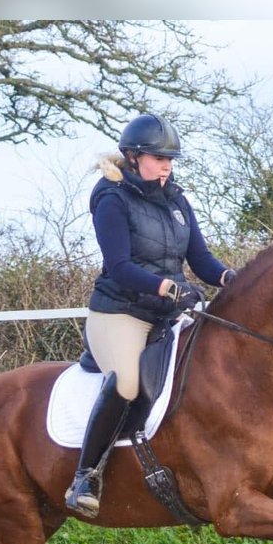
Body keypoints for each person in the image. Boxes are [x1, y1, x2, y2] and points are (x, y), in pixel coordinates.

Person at [64, 113, 236, 518]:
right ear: (134, 156)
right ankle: (86, 476)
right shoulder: (111, 198)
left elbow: (201, 260)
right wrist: (166, 286)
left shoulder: (176, 200)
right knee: (125, 383)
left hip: (167, 314)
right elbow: (120, 265)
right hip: (120, 314)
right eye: (160, 158)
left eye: (171, 160)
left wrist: (233, 278)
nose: (167, 166)